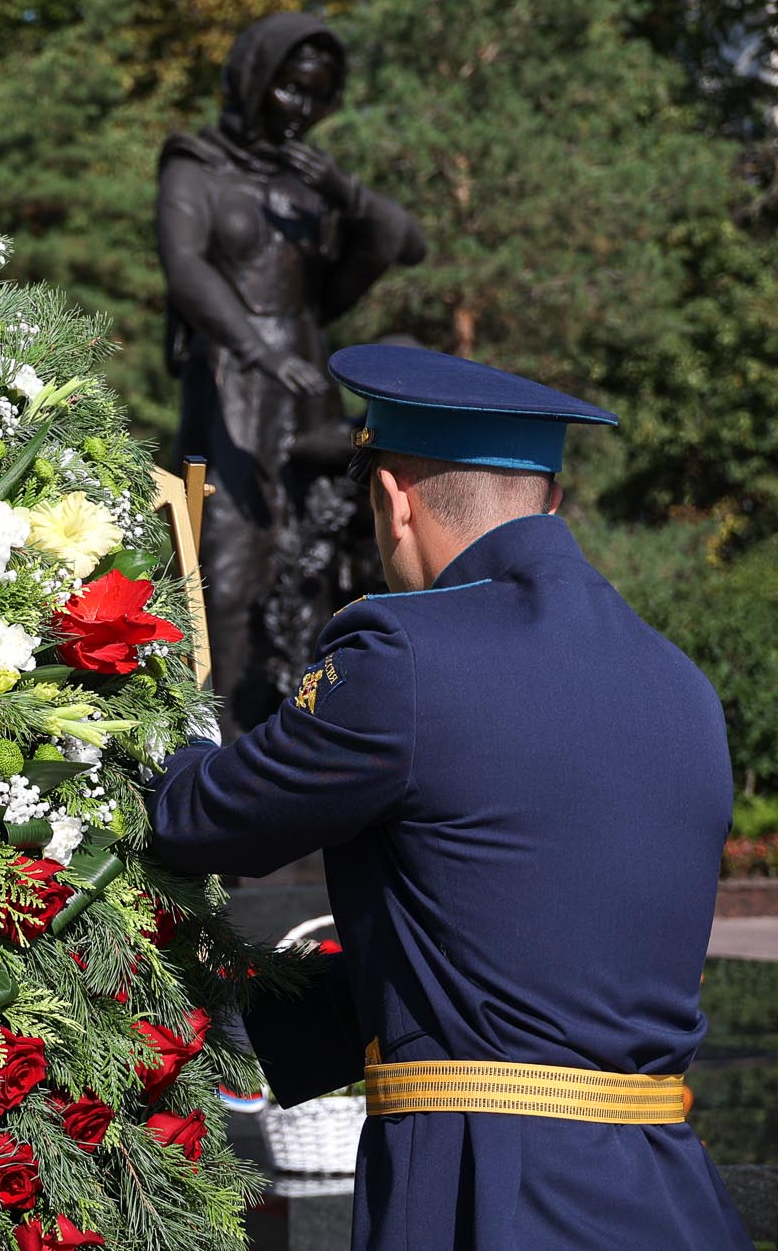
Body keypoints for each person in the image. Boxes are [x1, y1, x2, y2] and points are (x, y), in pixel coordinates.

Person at [146, 344, 750, 1249]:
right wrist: (246, 1017)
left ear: (394, 498)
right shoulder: (683, 688)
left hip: (490, 1199)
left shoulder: (405, 659)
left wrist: (161, 703)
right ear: (552, 499)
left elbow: (195, 818)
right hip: (673, 1197)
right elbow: (517, 957)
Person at [157, 12, 426, 734]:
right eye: (289, 89)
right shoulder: (196, 164)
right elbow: (185, 268)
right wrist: (258, 350)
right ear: (254, 80)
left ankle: (301, 741)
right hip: (232, 384)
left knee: (310, 560)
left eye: (317, 94)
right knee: (226, 565)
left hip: (306, 386)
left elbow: (408, 243)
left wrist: (348, 193)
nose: (302, 108)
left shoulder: (311, 180)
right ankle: (214, 749)